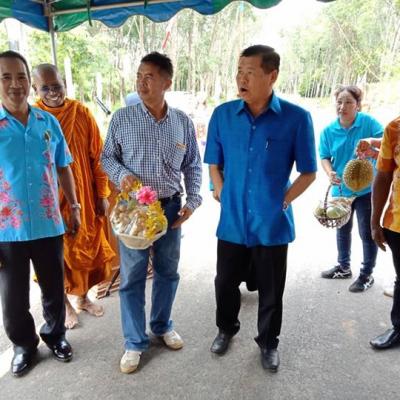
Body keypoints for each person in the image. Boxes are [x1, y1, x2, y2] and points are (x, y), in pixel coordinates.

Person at [204, 45, 317, 372]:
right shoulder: (223, 115)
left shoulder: (296, 118)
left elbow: (308, 172)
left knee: (271, 289)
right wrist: (220, 189)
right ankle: (226, 328)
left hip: (271, 223)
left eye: (250, 73)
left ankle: (268, 342)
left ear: (272, 75)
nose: (241, 79)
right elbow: (214, 162)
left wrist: (284, 200)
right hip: (233, 221)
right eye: (239, 72)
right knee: (225, 282)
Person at [101, 51, 202, 374]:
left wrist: (192, 201)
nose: (142, 83)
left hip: (170, 208)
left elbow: (193, 165)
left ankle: (161, 325)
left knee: (167, 271)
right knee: (132, 277)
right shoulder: (122, 119)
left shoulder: (182, 122)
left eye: (149, 77)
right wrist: (121, 175)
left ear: (166, 82)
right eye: (139, 76)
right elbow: (107, 158)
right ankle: (134, 342)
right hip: (134, 211)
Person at [0, 51, 79, 376]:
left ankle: (56, 336)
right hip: (8, 229)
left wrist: (74, 206)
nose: (15, 84)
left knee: (53, 288)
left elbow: (63, 166)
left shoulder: (48, 122)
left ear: (29, 82)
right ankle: (24, 345)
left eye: (20, 76)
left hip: (49, 223)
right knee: (13, 298)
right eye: (6, 77)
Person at [32, 64, 115, 329]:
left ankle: (82, 298)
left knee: (87, 248)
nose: (52, 92)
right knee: (58, 254)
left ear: (65, 85)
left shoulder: (81, 112)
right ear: (35, 89)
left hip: (84, 196)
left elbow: (98, 156)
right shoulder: (33, 119)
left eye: (57, 86)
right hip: (49, 199)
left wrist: (102, 193)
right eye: (45, 88)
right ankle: (66, 304)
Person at [319, 85, 383, 292]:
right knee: (342, 229)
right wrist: (330, 172)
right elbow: (324, 156)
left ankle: (366, 274)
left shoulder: (368, 123)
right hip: (341, 190)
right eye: (339, 102)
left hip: (365, 189)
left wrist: (371, 144)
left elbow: (387, 142)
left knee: (367, 232)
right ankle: (343, 267)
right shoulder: (329, 131)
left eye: (348, 102)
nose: (343, 106)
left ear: (358, 105)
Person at [369, 116, 400, 349]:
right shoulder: (395, 128)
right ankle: (399, 329)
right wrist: (374, 221)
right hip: (397, 223)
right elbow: (383, 175)